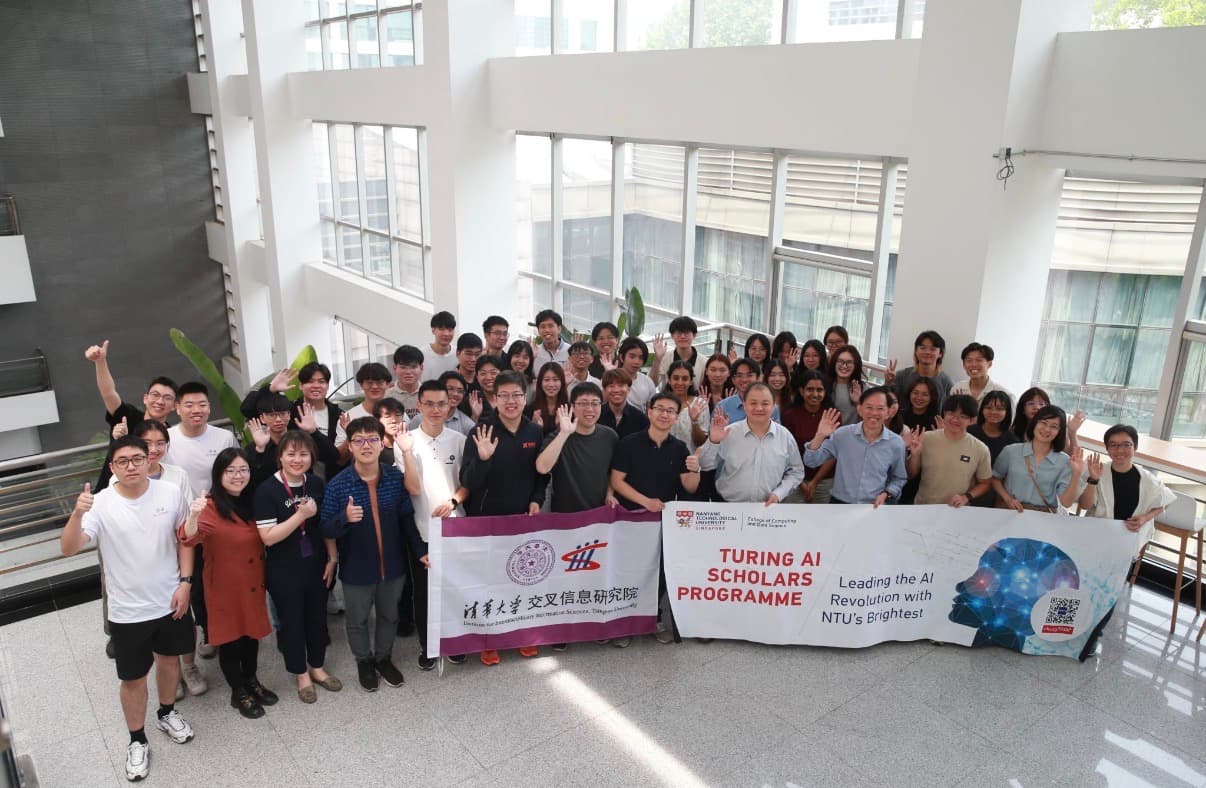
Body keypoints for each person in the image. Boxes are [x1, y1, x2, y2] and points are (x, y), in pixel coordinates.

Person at [60, 436, 199, 782]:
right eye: (123, 461)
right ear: (113, 468)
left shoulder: (168, 492)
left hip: (170, 600)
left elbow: (185, 538)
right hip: (128, 610)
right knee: (133, 678)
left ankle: (167, 712)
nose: (132, 465)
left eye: (138, 458)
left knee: (170, 662)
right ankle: (137, 739)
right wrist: (78, 513)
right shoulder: (101, 504)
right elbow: (69, 548)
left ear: (149, 459)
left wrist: (186, 582)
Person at [321, 417, 422, 693]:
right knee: (358, 619)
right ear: (350, 446)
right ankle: (364, 660)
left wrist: (420, 551)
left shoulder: (394, 477)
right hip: (357, 568)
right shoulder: (338, 485)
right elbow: (325, 527)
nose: (366, 445)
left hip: (393, 565)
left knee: (390, 616)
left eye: (372, 439)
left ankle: (383, 658)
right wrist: (345, 517)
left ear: (382, 443)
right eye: (359, 440)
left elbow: (406, 519)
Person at [460, 371, 549, 664]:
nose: (511, 401)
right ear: (495, 399)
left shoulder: (534, 432)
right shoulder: (480, 432)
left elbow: (541, 476)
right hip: (486, 520)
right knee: (489, 583)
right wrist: (483, 459)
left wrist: (537, 500)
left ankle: (523, 634)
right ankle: (489, 640)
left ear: (526, 398)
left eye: (517, 395)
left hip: (523, 520)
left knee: (523, 579)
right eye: (504, 396)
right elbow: (468, 482)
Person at [180, 448, 276, 719]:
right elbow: (187, 538)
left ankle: (252, 680)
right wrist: (193, 517)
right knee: (232, 641)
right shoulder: (209, 506)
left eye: (243, 470)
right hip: (224, 588)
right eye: (230, 471)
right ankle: (239, 691)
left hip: (253, 583)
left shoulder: (253, 501)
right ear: (218, 475)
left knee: (252, 636)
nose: (237, 476)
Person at [1075, 424, 1176, 660]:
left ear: (1135, 447)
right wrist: (1092, 480)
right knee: (1087, 585)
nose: (1120, 450)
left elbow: (1164, 501)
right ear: (1107, 448)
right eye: (1114, 445)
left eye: (1126, 445)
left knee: (1111, 591)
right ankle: (1077, 629)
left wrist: (1144, 518)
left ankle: (1093, 637)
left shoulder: (1146, 478)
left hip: (1126, 543)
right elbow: (1084, 505)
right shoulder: (1099, 471)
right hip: (1097, 540)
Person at [254, 430, 341, 704]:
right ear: (280, 457)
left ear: (311, 457)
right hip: (283, 567)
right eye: (290, 453)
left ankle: (317, 666)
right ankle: (300, 673)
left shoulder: (315, 483)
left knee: (316, 618)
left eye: (303, 454)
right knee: (292, 622)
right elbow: (267, 537)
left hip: (315, 562)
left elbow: (324, 525)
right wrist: (300, 515)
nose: (297, 459)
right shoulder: (266, 490)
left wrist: (332, 557)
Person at [609, 392, 702, 645]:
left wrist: (695, 470)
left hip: (662, 522)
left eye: (670, 411)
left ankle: (655, 619)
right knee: (629, 570)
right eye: (660, 409)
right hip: (631, 519)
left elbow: (690, 487)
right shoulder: (629, 443)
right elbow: (617, 481)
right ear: (649, 411)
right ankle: (624, 624)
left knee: (659, 571)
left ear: (676, 417)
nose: (664, 414)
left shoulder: (680, 447)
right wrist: (645, 502)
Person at [164, 381, 238, 680]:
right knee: (191, 583)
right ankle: (202, 635)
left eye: (203, 404)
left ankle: (218, 630)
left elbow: (234, 474)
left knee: (218, 578)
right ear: (177, 408)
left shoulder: (224, 436)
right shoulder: (166, 441)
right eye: (190, 405)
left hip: (218, 520)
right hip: (183, 524)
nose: (197, 410)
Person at [399, 380, 471, 670]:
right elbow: (412, 489)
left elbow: (468, 484)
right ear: (419, 406)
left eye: (441, 403)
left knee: (455, 588)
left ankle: (454, 641)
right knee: (424, 593)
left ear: (450, 405)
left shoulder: (459, 440)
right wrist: (406, 452)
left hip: (456, 528)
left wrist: (454, 501)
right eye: (429, 403)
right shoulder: (406, 441)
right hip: (422, 529)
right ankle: (428, 646)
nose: (435, 409)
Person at [129, 420, 204, 694]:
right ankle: (167, 669)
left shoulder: (177, 475)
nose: (154, 449)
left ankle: (189, 666)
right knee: (157, 616)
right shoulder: (123, 478)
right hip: (144, 561)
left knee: (184, 612)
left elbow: (186, 521)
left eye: (160, 443)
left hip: (178, 553)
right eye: (147, 443)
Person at [83, 339, 179, 492]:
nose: (160, 401)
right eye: (155, 395)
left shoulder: (172, 435)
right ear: (145, 398)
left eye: (167, 398)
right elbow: (108, 393)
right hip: (110, 494)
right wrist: (100, 362)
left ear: (175, 406)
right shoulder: (128, 416)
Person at [699, 383, 804, 505]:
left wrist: (779, 493)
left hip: (768, 507)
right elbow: (705, 465)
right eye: (753, 403)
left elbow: (796, 471)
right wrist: (714, 441)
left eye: (765, 403)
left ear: (774, 406)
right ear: (744, 405)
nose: (759, 408)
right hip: (728, 506)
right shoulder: (729, 432)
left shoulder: (785, 436)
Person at [803, 386, 908, 506]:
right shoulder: (842, 434)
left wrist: (887, 493)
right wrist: (820, 435)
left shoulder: (896, 443)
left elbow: (899, 478)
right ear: (859, 409)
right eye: (869, 407)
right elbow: (810, 461)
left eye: (880, 408)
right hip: (839, 503)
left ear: (888, 412)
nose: (874, 413)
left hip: (874, 506)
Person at [536, 383, 619, 513]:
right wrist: (564, 434)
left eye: (595, 403)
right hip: (565, 516)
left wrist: (610, 494)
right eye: (584, 403)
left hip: (599, 513)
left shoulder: (610, 436)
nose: (590, 409)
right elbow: (542, 467)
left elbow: (613, 473)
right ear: (573, 407)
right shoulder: (558, 435)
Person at [992, 405, 1086, 513]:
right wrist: (1007, 499)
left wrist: (1077, 474)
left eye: (1054, 426)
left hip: (1043, 516)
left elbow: (1066, 503)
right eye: (1043, 422)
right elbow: (995, 478)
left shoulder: (1064, 461)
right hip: (1011, 511)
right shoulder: (1011, 451)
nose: (1047, 429)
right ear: (1035, 423)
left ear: (1060, 432)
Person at [905, 394, 994, 507]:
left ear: (972, 420)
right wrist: (915, 455)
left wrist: (966, 497)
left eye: (962, 416)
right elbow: (910, 474)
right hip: (924, 506)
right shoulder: (926, 438)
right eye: (951, 413)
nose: (955, 419)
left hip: (957, 510)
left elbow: (985, 483)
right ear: (944, 414)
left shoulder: (980, 448)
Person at [781, 368, 835, 504]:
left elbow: (834, 453)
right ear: (801, 391)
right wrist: (801, 483)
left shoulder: (833, 415)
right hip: (794, 480)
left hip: (824, 481)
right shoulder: (789, 415)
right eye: (810, 389)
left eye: (820, 390)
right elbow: (786, 451)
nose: (815, 394)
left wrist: (815, 482)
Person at [967, 390, 1019, 507]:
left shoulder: (1012, 441)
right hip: (966, 489)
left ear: (1007, 412)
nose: (993, 412)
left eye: (1000, 408)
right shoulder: (969, 432)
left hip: (995, 494)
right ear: (982, 410)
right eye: (988, 407)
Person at [296, 362, 346, 478]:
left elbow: (335, 456)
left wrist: (314, 432)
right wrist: (271, 389)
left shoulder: (338, 415)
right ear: (300, 385)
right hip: (300, 479)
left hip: (332, 477)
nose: (316, 385)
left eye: (321, 381)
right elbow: (248, 410)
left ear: (328, 386)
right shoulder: (292, 412)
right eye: (310, 381)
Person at [885, 330, 954, 408]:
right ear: (916, 351)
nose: (927, 352)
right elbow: (886, 401)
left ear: (940, 354)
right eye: (922, 348)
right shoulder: (902, 376)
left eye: (932, 349)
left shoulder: (945, 381)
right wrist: (888, 383)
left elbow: (950, 409)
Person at [334, 363, 392, 452]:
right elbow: (340, 459)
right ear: (361, 384)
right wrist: (350, 434)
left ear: (388, 384)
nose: (374, 386)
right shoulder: (349, 417)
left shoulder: (396, 413)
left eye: (379, 382)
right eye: (369, 383)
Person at [410, 370, 475, 436]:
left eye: (460, 391)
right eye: (450, 389)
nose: (455, 394)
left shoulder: (467, 424)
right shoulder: (418, 420)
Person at [717, 358, 781, 423]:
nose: (744, 380)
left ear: (758, 378)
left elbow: (776, 432)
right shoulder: (722, 407)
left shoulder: (772, 408)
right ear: (733, 379)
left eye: (749, 375)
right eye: (739, 375)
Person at [663, 360, 709, 449]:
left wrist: (694, 421)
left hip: (690, 460)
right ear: (669, 380)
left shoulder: (700, 404)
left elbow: (701, 442)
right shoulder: (660, 404)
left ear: (691, 381)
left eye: (685, 379)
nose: (680, 383)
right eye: (676, 378)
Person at [650, 315, 708, 385]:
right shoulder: (664, 357)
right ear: (672, 336)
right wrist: (658, 359)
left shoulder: (704, 362)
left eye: (686, 333)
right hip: (668, 396)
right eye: (679, 333)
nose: (682, 336)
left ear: (694, 335)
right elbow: (651, 384)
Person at [598, 369, 650, 440]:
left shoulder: (641, 419)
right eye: (611, 386)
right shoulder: (596, 415)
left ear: (628, 389)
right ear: (604, 390)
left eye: (621, 385)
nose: (616, 390)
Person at [525, 362, 569, 437]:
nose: (551, 384)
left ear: (562, 382)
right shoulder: (530, 410)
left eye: (555, 380)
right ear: (540, 382)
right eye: (546, 380)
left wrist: (560, 427)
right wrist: (534, 427)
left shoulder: (569, 409)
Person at [826, 345, 865, 427]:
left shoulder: (863, 388)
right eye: (840, 361)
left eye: (849, 362)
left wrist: (858, 402)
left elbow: (869, 419)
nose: (844, 366)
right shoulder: (824, 385)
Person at [385, 345, 424, 419]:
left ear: (421, 368)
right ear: (395, 368)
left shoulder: (429, 394)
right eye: (403, 367)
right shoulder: (386, 396)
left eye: (413, 367)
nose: (408, 372)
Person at [617, 336, 656, 410]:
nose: (636, 362)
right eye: (632, 357)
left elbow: (651, 408)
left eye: (641, 358)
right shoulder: (610, 379)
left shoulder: (647, 382)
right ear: (622, 357)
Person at [421, 311, 459, 383]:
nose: (446, 334)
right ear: (433, 330)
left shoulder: (458, 354)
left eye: (450, 330)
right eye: (442, 329)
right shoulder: (422, 354)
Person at [469, 354, 503, 422]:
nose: (488, 377)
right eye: (483, 373)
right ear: (477, 377)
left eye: (493, 373)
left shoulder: (509, 398)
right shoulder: (471, 401)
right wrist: (475, 416)